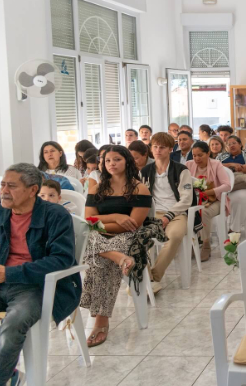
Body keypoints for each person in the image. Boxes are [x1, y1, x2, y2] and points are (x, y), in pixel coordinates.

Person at [0, 163, 81, 386]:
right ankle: (11, 374)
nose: (4, 190)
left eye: (12, 186)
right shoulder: (1, 212)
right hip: (3, 281)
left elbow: (61, 259)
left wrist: (10, 273)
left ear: (33, 189)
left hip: (36, 286)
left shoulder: (55, 215)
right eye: (2, 185)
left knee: (14, 323)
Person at [80, 145, 152, 347]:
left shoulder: (139, 188)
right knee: (93, 241)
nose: (111, 164)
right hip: (100, 236)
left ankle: (100, 322)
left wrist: (107, 223)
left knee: (97, 256)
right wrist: (116, 217)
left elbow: (133, 224)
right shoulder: (96, 188)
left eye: (117, 159)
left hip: (129, 237)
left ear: (127, 161)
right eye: (108, 160)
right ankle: (118, 259)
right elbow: (88, 221)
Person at [140, 133, 194, 291]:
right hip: (151, 214)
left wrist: (168, 216)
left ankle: (153, 277)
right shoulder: (145, 171)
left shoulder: (181, 170)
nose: (158, 150)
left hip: (176, 214)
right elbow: (140, 196)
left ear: (171, 149)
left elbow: (186, 199)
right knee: (136, 237)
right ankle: (145, 278)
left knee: (175, 236)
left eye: (162, 147)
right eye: (155, 146)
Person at [186, 141, 231, 262]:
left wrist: (209, 193)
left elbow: (227, 186)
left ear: (208, 153)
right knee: (185, 211)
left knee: (203, 212)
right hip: (194, 200)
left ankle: (206, 244)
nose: (196, 158)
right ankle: (191, 242)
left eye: (200, 155)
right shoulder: (188, 165)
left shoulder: (216, 164)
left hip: (214, 200)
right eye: (194, 155)